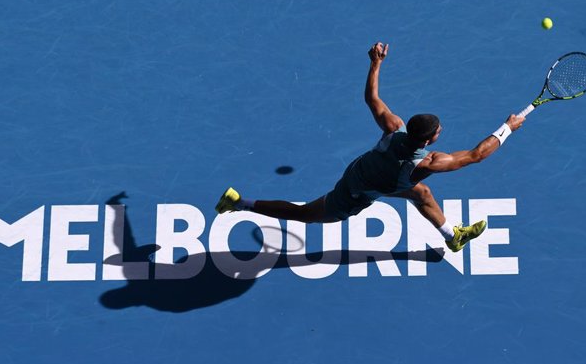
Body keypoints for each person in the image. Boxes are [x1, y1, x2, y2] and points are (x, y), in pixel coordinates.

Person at [215, 42, 525, 252]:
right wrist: (507, 128)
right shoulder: (428, 163)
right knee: (305, 214)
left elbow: (372, 99)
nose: (442, 130)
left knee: (422, 193)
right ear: (430, 141)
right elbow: (475, 155)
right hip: (356, 191)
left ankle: (452, 237)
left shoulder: (394, 128)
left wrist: (375, 63)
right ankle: (241, 203)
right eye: (439, 130)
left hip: (368, 168)